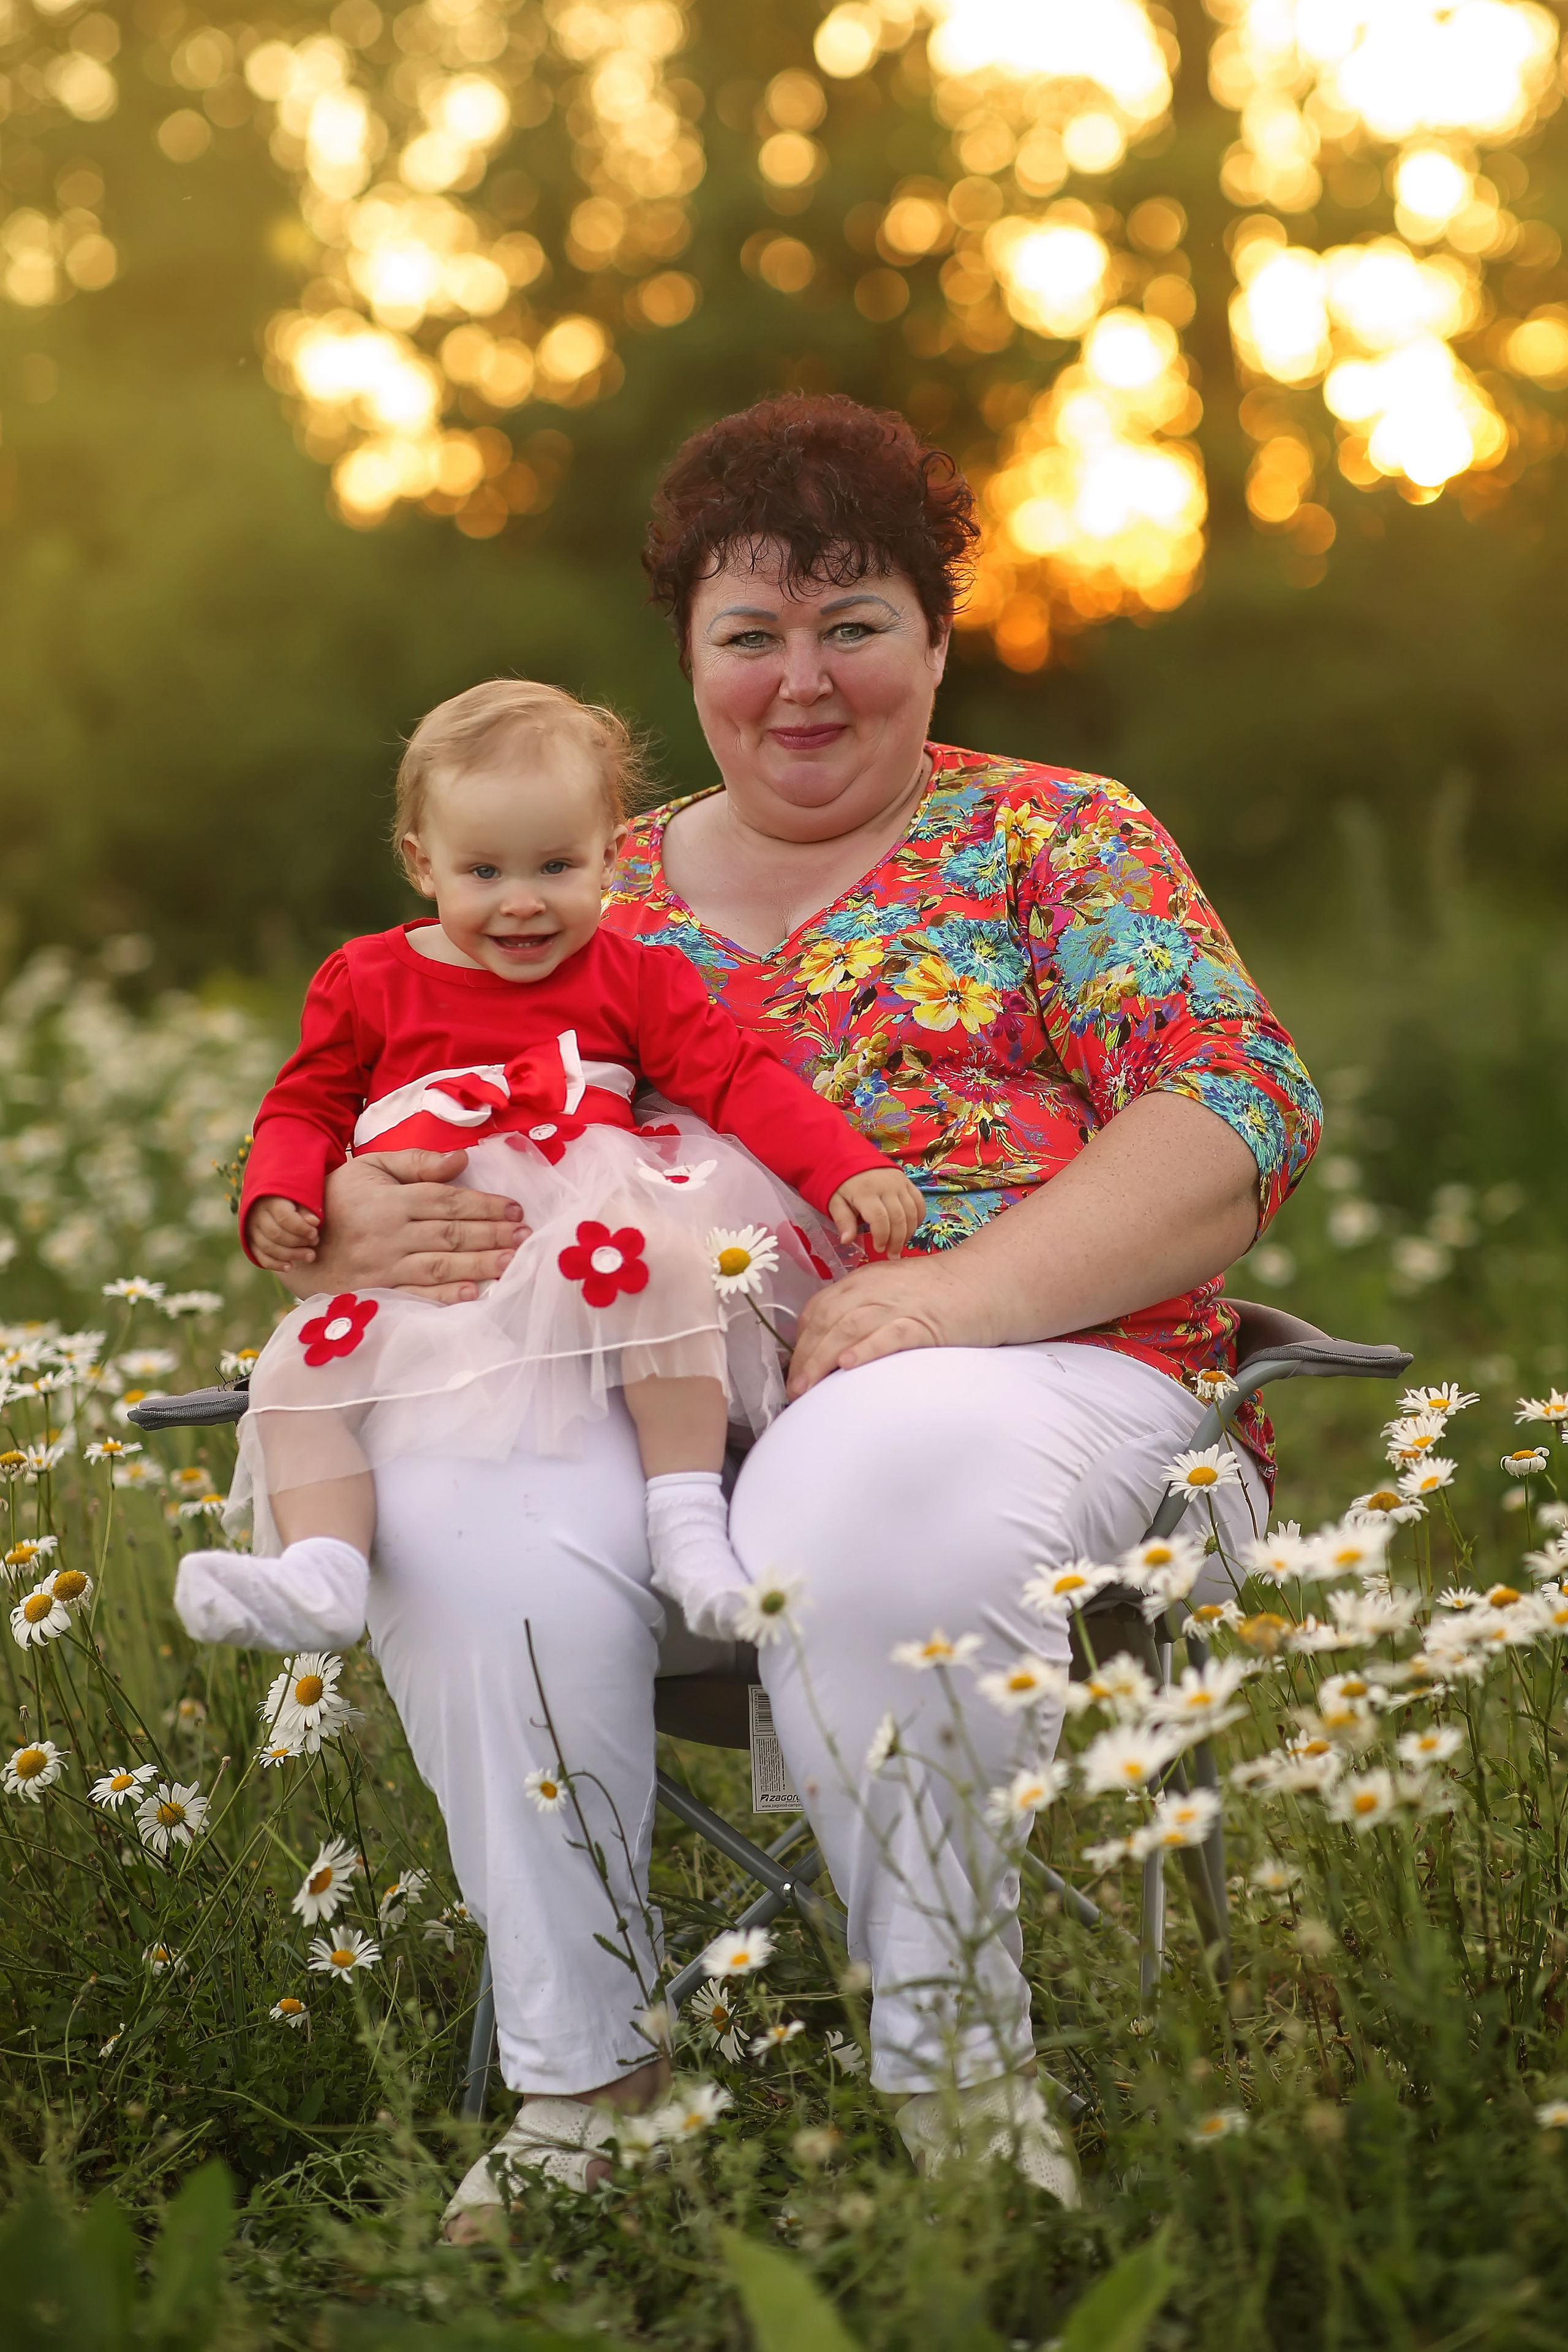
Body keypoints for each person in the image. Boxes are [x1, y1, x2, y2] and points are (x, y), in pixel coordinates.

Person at [257, 393, 1321, 2228]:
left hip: (1029, 1367)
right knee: (456, 1521)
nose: (803, 681)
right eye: (752, 635)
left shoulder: (1053, 842)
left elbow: (1236, 1115)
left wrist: (951, 1297)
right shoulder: (589, 881)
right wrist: (352, 1203)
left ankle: (957, 2100)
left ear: (935, 635)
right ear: (689, 660)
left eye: (855, 623)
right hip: (631, 1380)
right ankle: (588, 2087)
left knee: (867, 1472)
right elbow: (369, 1088)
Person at [175, 679, 921, 1659]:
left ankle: (687, 1520)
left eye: (558, 866)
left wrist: (842, 1168)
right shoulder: (368, 980)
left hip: (587, 1236)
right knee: (298, 1379)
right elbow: (304, 1103)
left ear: (612, 851)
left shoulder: (634, 974)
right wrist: (280, 1190)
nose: (522, 903)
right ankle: (323, 1569)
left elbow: (737, 1081)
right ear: (420, 862)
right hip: (434, 1263)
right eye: (482, 871)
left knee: (664, 1267)